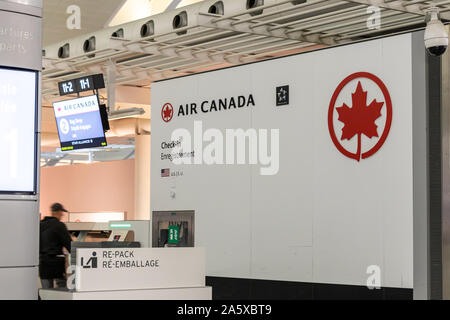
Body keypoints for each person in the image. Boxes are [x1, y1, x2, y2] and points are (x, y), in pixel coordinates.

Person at [39, 203, 72, 289]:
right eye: (62, 212)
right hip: (56, 264)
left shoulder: (40, 225)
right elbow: (69, 244)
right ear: (58, 212)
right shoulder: (59, 225)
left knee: (46, 293)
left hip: (43, 263)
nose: (62, 214)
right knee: (61, 291)